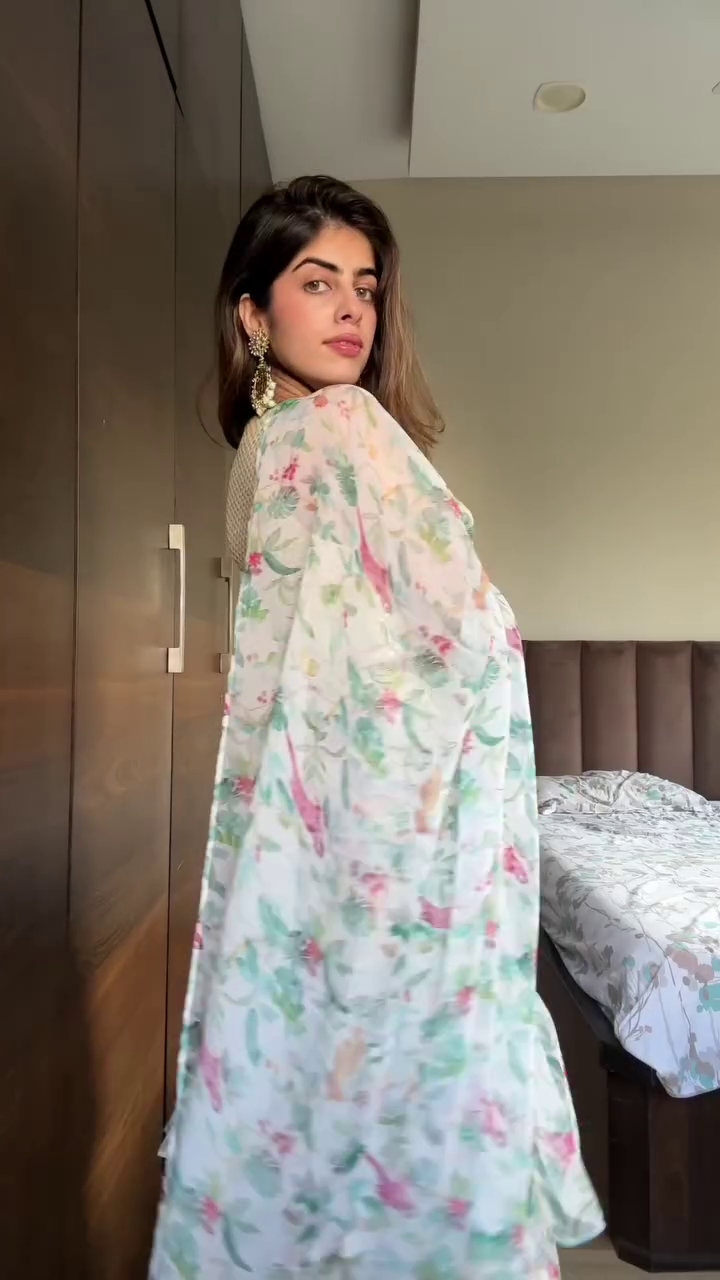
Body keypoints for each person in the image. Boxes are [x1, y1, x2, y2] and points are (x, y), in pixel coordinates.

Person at [149, 176, 603, 1279]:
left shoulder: (262, 449)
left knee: (307, 1088)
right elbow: (462, 628)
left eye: (366, 286)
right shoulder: (340, 424)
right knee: (415, 1094)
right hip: (382, 841)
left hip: (296, 835)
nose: (353, 307)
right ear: (254, 312)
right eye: (318, 282)